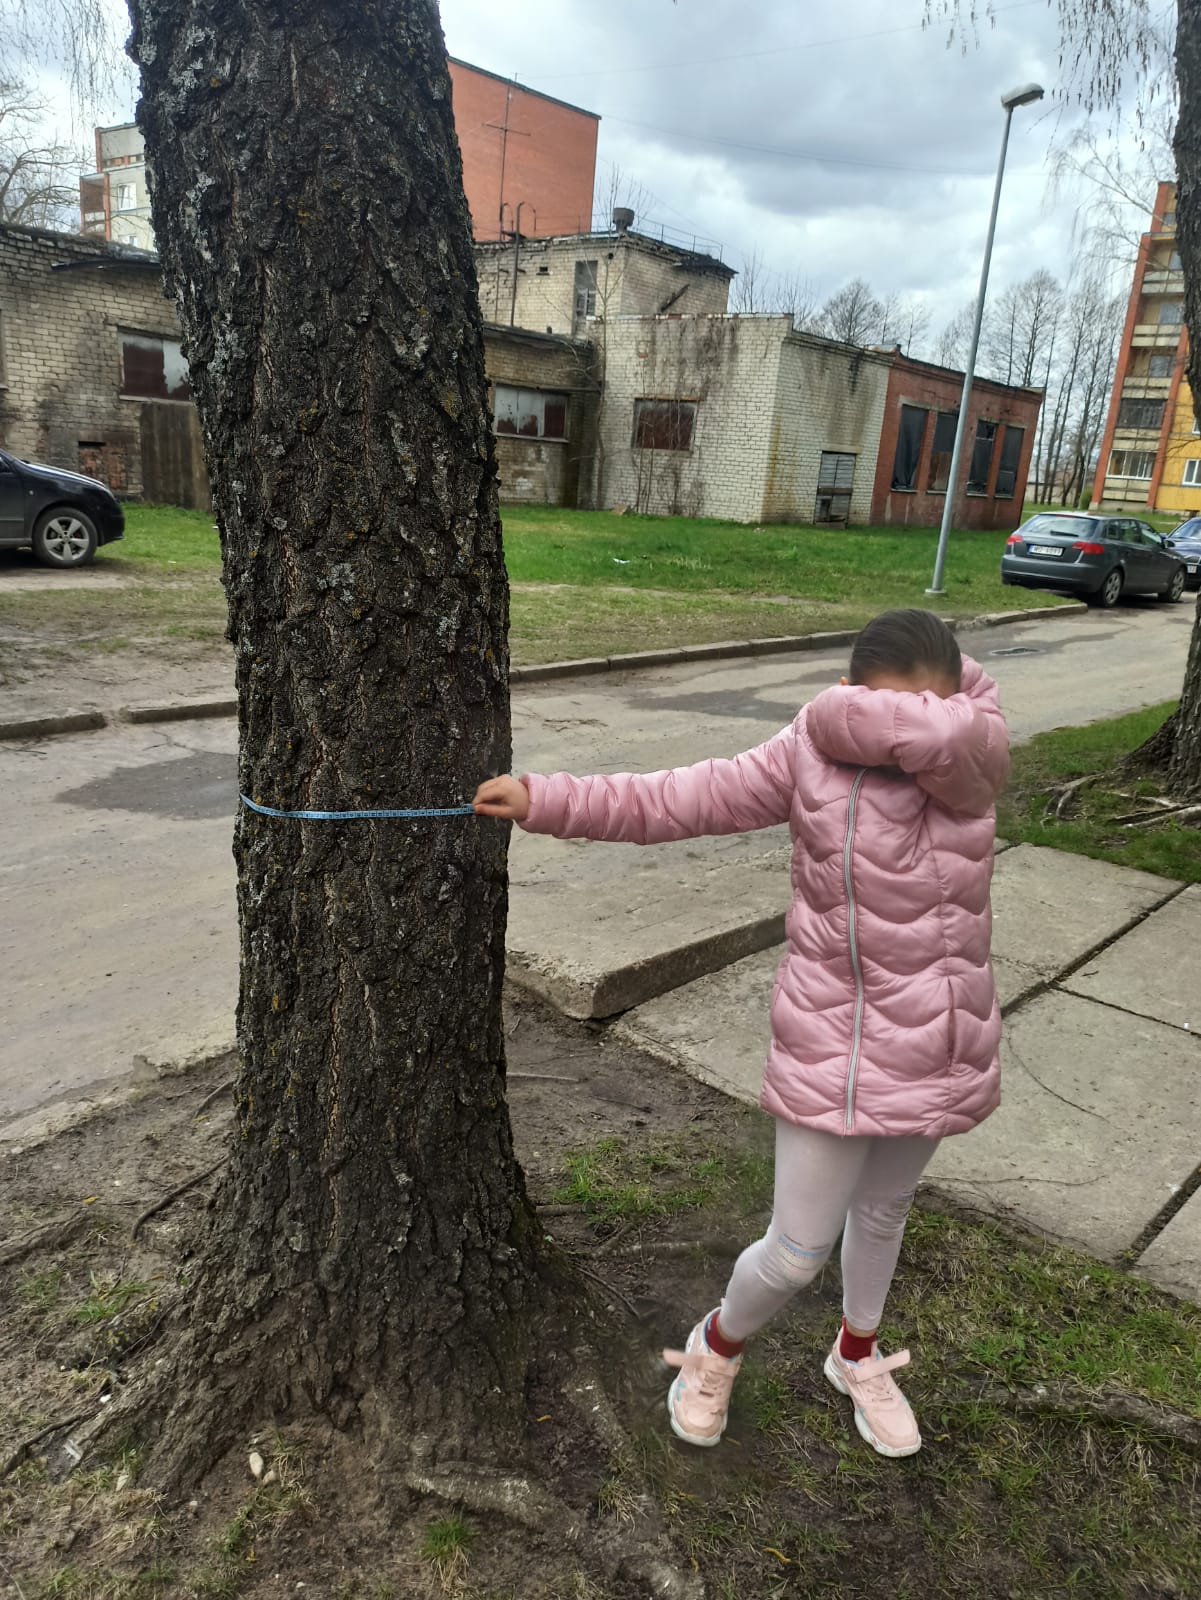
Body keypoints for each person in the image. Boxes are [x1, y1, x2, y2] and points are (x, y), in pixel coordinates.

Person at [474, 608, 1009, 1459]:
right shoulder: (810, 751)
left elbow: (947, 740)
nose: (906, 729)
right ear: (850, 691)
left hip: (938, 1037)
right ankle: (714, 1346)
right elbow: (685, 796)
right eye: (882, 707)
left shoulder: (972, 749)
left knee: (884, 1212)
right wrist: (548, 799)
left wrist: (854, 712)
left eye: (926, 707)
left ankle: (856, 1355)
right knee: (796, 1252)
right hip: (829, 1041)